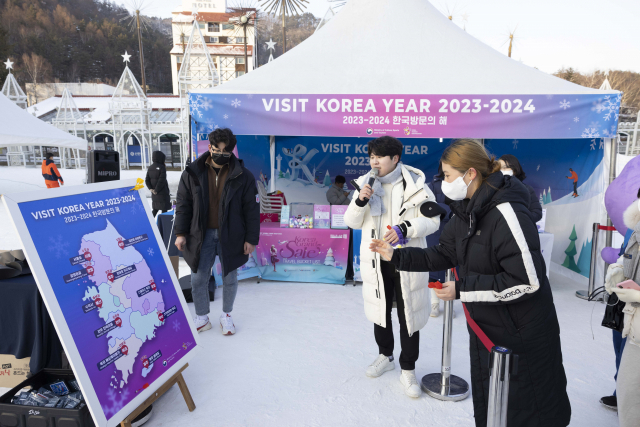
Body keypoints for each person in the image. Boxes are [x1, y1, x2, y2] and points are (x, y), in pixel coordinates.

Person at [370, 139, 571, 426]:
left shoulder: (506, 212)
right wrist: (396, 256)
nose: (445, 183)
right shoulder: (467, 210)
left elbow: (528, 281)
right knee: (493, 409)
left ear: (471, 173)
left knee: (528, 409)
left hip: (522, 334)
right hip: (490, 329)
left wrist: (464, 289)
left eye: (449, 176)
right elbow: (442, 253)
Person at [344, 136, 442, 398]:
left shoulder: (416, 184)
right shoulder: (366, 183)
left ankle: (408, 368)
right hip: (377, 260)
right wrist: (360, 200)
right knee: (380, 310)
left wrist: (406, 228)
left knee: (408, 314)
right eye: (371, 156)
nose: (374, 161)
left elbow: (433, 221)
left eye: (380, 156)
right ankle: (385, 356)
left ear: (395, 158)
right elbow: (351, 221)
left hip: (406, 260)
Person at [174, 128, 260, 335]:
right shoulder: (192, 173)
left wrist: (251, 238)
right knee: (198, 277)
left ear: (232, 152)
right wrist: (180, 232)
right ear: (209, 147)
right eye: (216, 150)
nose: (220, 155)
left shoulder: (243, 176)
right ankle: (202, 317)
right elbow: (183, 205)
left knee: (230, 277)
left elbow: (252, 209)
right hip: (200, 234)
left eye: (225, 152)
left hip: (231, 235)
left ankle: (226, 315)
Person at [604, 192, 640, 425]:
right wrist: (618, 269)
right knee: (628, 390)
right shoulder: (634, 224)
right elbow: (627, 257)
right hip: (631, 317)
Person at [426, 162, 453, 318]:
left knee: (452, 269)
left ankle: (449, 303)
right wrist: (452, 210)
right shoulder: (432, 186)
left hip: (456, 232)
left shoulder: (461, 185)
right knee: (434, 269)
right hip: (435, 232)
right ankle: (434, 302)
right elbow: (429, 206)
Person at [498, 154, 543, 222]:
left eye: (505, 167)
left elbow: (537, 213)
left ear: (515, 170)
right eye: (499, 168)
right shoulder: (492, 189)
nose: (501, 170)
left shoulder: (527, 189)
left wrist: (519, 220)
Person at [145, 151, 171, 217]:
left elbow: (147, 180)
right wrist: (156, 190)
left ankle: (150, 224)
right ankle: (163, 225)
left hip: (154, 194)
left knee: (155, 210)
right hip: (162, 193)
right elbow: (162, 180)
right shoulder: (162, 167)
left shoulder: (150, 167)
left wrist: (151, 189)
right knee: (164, 211)